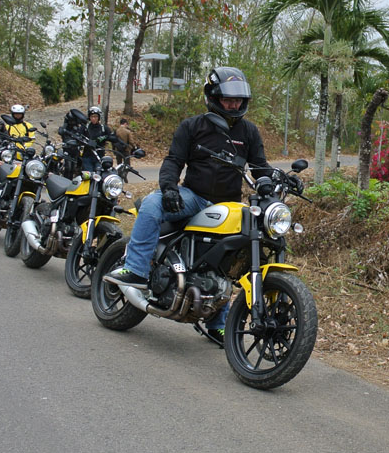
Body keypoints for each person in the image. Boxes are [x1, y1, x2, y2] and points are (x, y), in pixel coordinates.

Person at [105, 66, 269, 345]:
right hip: (193, 196)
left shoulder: (249, 132)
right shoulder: (193, 126)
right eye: (228, 99)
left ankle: (219, 323)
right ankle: (136, 269)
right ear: (213, 98)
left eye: (238, 100)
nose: (234, 105)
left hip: (229, 205)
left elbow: (260, 167)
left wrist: (271, 182)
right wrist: (169, 188)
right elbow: (173, 160)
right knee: (152, 204)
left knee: (227, 263)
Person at [81, 106, 113, 173]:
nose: (93, 118)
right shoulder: (85, 128)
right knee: (88, 175)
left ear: (99, 117)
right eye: (92, 116)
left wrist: (104, 138)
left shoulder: (104, 128)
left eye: (95, 116)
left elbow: (112, 137)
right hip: (87, 156)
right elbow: (78, 136)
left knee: (99, 175)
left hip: (99, 156)